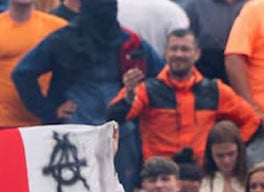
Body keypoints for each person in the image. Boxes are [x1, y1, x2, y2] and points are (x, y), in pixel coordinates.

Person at [106, 29, 259, 166]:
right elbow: (113, 117)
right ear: (165, 54)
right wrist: (129, 96)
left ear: (197, 54)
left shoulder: (215, 90)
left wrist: (227, 151)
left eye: (185, 49)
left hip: (201, 176)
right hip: (159, 176)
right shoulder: (147, 90)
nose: (179, 54)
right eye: (174, 49)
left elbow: (251, 120)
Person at [0, 0, 67, 130]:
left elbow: (76, 71)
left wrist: (71, 103)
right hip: (2, 124)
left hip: (47, 124)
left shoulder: (57, 27)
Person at [185, 0, 248, 83]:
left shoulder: (255, 4)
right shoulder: (196, 5)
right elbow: (188, 39)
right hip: (206, 67)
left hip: (246, 64)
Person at [115, 0, 189, 56]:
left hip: (121, 70)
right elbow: (184, 49)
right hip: (163, 71)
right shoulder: (173, 11)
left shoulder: (111, 8)